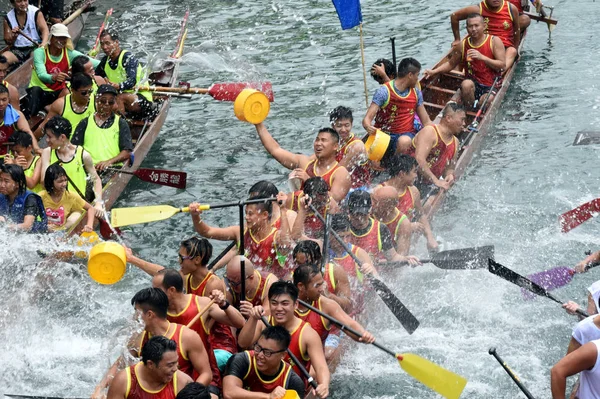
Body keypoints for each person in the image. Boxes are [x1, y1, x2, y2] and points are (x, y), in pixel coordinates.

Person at [125, 237, 238, 374]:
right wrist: (132, 259)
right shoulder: (187, 276)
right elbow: (163, 273)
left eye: (181, 258)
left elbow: (209, 324)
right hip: (192, 340)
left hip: (216, 342)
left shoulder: (212, 284)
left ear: (196, 260)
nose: (179, 262)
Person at [153, 269, 245, 399]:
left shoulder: (202, 304)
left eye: (156, 290)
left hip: (204, 377)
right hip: (170, 377)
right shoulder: (155, 313)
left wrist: (224, 304)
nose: (153, 294)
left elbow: (240, 322)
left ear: (171, 290)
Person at [238, 282, 330, 398]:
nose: (279, 309)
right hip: (258, 390)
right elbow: (242, 343)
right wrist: (253, 319)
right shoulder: (263, 322)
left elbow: (321, 366)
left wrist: (324, 384)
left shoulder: (308, 334)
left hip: (290, 392)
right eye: (274, 303)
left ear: (295, 304)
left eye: (285, 304)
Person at [190, 194, 294, 280]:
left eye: (250, 214)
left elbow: (286, 243)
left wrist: (283, 209)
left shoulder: (277, 237)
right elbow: (207, 232)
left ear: (265, 215)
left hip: (272, 290)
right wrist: (195, 216)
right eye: (245, 213)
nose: (246, 217)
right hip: (246, 286)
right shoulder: (240, 232)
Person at [131, 288, 213, 386]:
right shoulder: (137, 338)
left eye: (137, 313)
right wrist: (107, 383)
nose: (134, 317)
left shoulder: (187, 337)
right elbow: (119, 365)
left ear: (149, 314)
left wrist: (189, 394)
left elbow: (206, 374)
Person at [254, 122, 351, 202]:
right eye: (317, 140)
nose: (318, 143)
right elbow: (275, 150)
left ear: (335, 146)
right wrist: (258, 124)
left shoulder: (341, 173)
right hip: (301, 216)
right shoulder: (305, 163)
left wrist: (309, 181)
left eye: (323, 140)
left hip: (325, 221)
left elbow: (333, 201)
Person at [424, 14, 506, 108]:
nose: (473, 29)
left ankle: (478, 107)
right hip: (472, 84)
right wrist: (433, 71)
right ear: (466, 28)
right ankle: (470, 109)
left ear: (484, 26)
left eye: (476, 25)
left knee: (487, 101)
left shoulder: (494, 41)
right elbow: (451, 64)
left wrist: (483, 57)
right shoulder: (462, 45)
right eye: (470, 26)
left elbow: (502, 65)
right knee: (466, 84)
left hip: (491, 84)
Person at [362, 57, 432, 159]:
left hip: (406, 136)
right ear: (410, 75)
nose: (418, 79)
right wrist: (368, 127)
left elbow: (426, 121)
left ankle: (394, 166)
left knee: (404, 141)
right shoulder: (383, 92)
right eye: (417, 75)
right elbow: (366, 120)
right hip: (384, 137)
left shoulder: (416, 93)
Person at [25, 23, 100, 119]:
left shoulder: (69, 53)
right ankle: (29, 118)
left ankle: (55, 111)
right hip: (40, 92)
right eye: (58, 37)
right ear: (51, 38)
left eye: (64, 38)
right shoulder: (39, 53)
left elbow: (94, 63)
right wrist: (53, 77)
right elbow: (41, 75)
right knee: (35, 91)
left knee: (69, 91)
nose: (61, 41)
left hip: (58, 92)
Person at [40, 116, 104, 216]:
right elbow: (43, 181)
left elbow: (96, 179)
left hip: (76, 208)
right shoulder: (47, 152)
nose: (47, 140)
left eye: (49, 136)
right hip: (53, 208)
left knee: (72, 219)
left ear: (62, 137)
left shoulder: (83, 155)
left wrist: (98, 203)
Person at [223, 326, 306, 399]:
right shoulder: (242, 360)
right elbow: (229, 393)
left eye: (267, 352)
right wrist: (268, 396)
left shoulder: (292, 381)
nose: (260, 355)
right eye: (258, 348)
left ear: (283, 355)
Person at [377, 153, 438, 251]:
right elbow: (374, 224)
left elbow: (421, 215)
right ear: (402, 174)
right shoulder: (380, 192)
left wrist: (430, 238)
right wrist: (408, 226)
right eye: (414, 172)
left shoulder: (413, 191)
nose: (416, 176)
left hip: (403, 243)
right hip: (382, 245)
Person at [405, 102, 466, 193]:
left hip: (429, 184)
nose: (464, 124)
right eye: (462, 120)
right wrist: (436, 181)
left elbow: (450, 168)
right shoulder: (430, 132)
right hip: (409, 181)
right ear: (448, 118)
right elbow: (419, 159)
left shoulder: (456, 142)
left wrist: (449, 176)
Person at [346, 190, 419, 265]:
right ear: (348, 211)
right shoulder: (342, 225)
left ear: (370, 210)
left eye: (363, 214)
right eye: (355, 214)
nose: (359, 219)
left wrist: (407, 259)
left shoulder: (381, 228)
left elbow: (393, 257)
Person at [106, 336, 193, 399]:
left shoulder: (183, 383)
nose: (175, 369)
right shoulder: (123, 381)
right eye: (170, 365)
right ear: (150, 364)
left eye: (176, 362)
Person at [71, 84, 133, 171]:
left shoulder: (121, 123)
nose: (106, 105)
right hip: (89, 169)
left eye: (110, 102)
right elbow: (74, 149)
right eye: (103, 101)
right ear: (96, 100)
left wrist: (109, 162)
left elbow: (127, 152)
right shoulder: (84, 123)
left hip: (113, 168)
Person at [95, 29, 154, 118]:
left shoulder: (128, 58)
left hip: (141, 98)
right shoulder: (105, 61)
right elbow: (95, 76)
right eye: (102, 44)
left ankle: (120, 125)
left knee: (119, 97)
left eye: (107, 43)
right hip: (120, 100)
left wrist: (118, 86)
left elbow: (132, 81)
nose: (104, 47)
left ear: (116, 43)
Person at [450, 0, 521, 73]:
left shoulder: (511, 8)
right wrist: (457, 39)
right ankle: (462, 72)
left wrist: (516, 48)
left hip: (505, 47)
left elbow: (517, 29)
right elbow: (454, 16)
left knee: (512, 51)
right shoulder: (478, 9)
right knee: (462, 51)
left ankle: (500, 73)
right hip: (484, 45)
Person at [35, 73, 96, 139]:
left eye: (90, 91)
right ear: (72, 90)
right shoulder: (60, 105)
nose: (88, 95)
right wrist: (34, 145)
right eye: (84, 92)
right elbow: (43, 127)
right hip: (69, 146)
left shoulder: (97, 101)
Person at [39, 163, 95, 232]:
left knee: (76, 216)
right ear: (50, 182)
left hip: (63, 231)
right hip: (45, 231)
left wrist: (89, 225)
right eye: (60, 181)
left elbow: (90, 208)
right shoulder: (40, 197)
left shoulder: (71, 196)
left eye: (65, 180)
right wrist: (42, 225)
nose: (64, 184)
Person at [329, 106, 370, 189]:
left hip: (358, 188)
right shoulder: (333, 141)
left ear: (351, 124)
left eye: (347, 125)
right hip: (340, 184)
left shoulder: (356, 147)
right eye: (339, 126)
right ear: (333, 126)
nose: (343, 130)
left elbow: (339, 171)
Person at [0, 163, 46, 232]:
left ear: (19, 184)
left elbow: (27, 226)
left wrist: (6, 225)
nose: (2, 185)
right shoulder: (1, 196)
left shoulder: (30, 198)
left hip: (31, 237)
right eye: (0, 180)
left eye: (6, 181)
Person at [3, 0, 49, 66]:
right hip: (18, 49)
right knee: (3, 60)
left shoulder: (36, 12)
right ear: (13, 3)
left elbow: (45, 30)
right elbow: (8, 42)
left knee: (34, 58)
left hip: (35, 46)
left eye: (25, 0)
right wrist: (14, 36)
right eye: (19, 1)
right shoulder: (7, 18)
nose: (23, 4)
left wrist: (43, 44)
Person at [371, 185, 411, 255]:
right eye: (372, 199)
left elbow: (401, 259)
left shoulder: (403, 224)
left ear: (389, 208)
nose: (371, 203)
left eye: (376, 202)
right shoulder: (367, 210)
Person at [0, 83, 38, 155]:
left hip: (11, 157)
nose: (1, 103)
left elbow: (28, 132)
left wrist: (36, 148)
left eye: (4, 99)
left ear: (9, 100)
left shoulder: (16, 115)